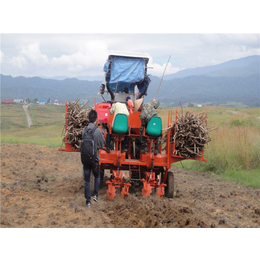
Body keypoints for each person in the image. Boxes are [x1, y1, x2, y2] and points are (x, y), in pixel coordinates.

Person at [82, 109, 105, 207]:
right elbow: (102, 144)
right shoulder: (98, 131)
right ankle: (95, 195)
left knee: (87, 180)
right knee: (97, 176)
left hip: (85, 159)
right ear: (96, 119)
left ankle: (88, 201)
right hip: (94, 159)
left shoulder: (84, 130)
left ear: (88, 119)